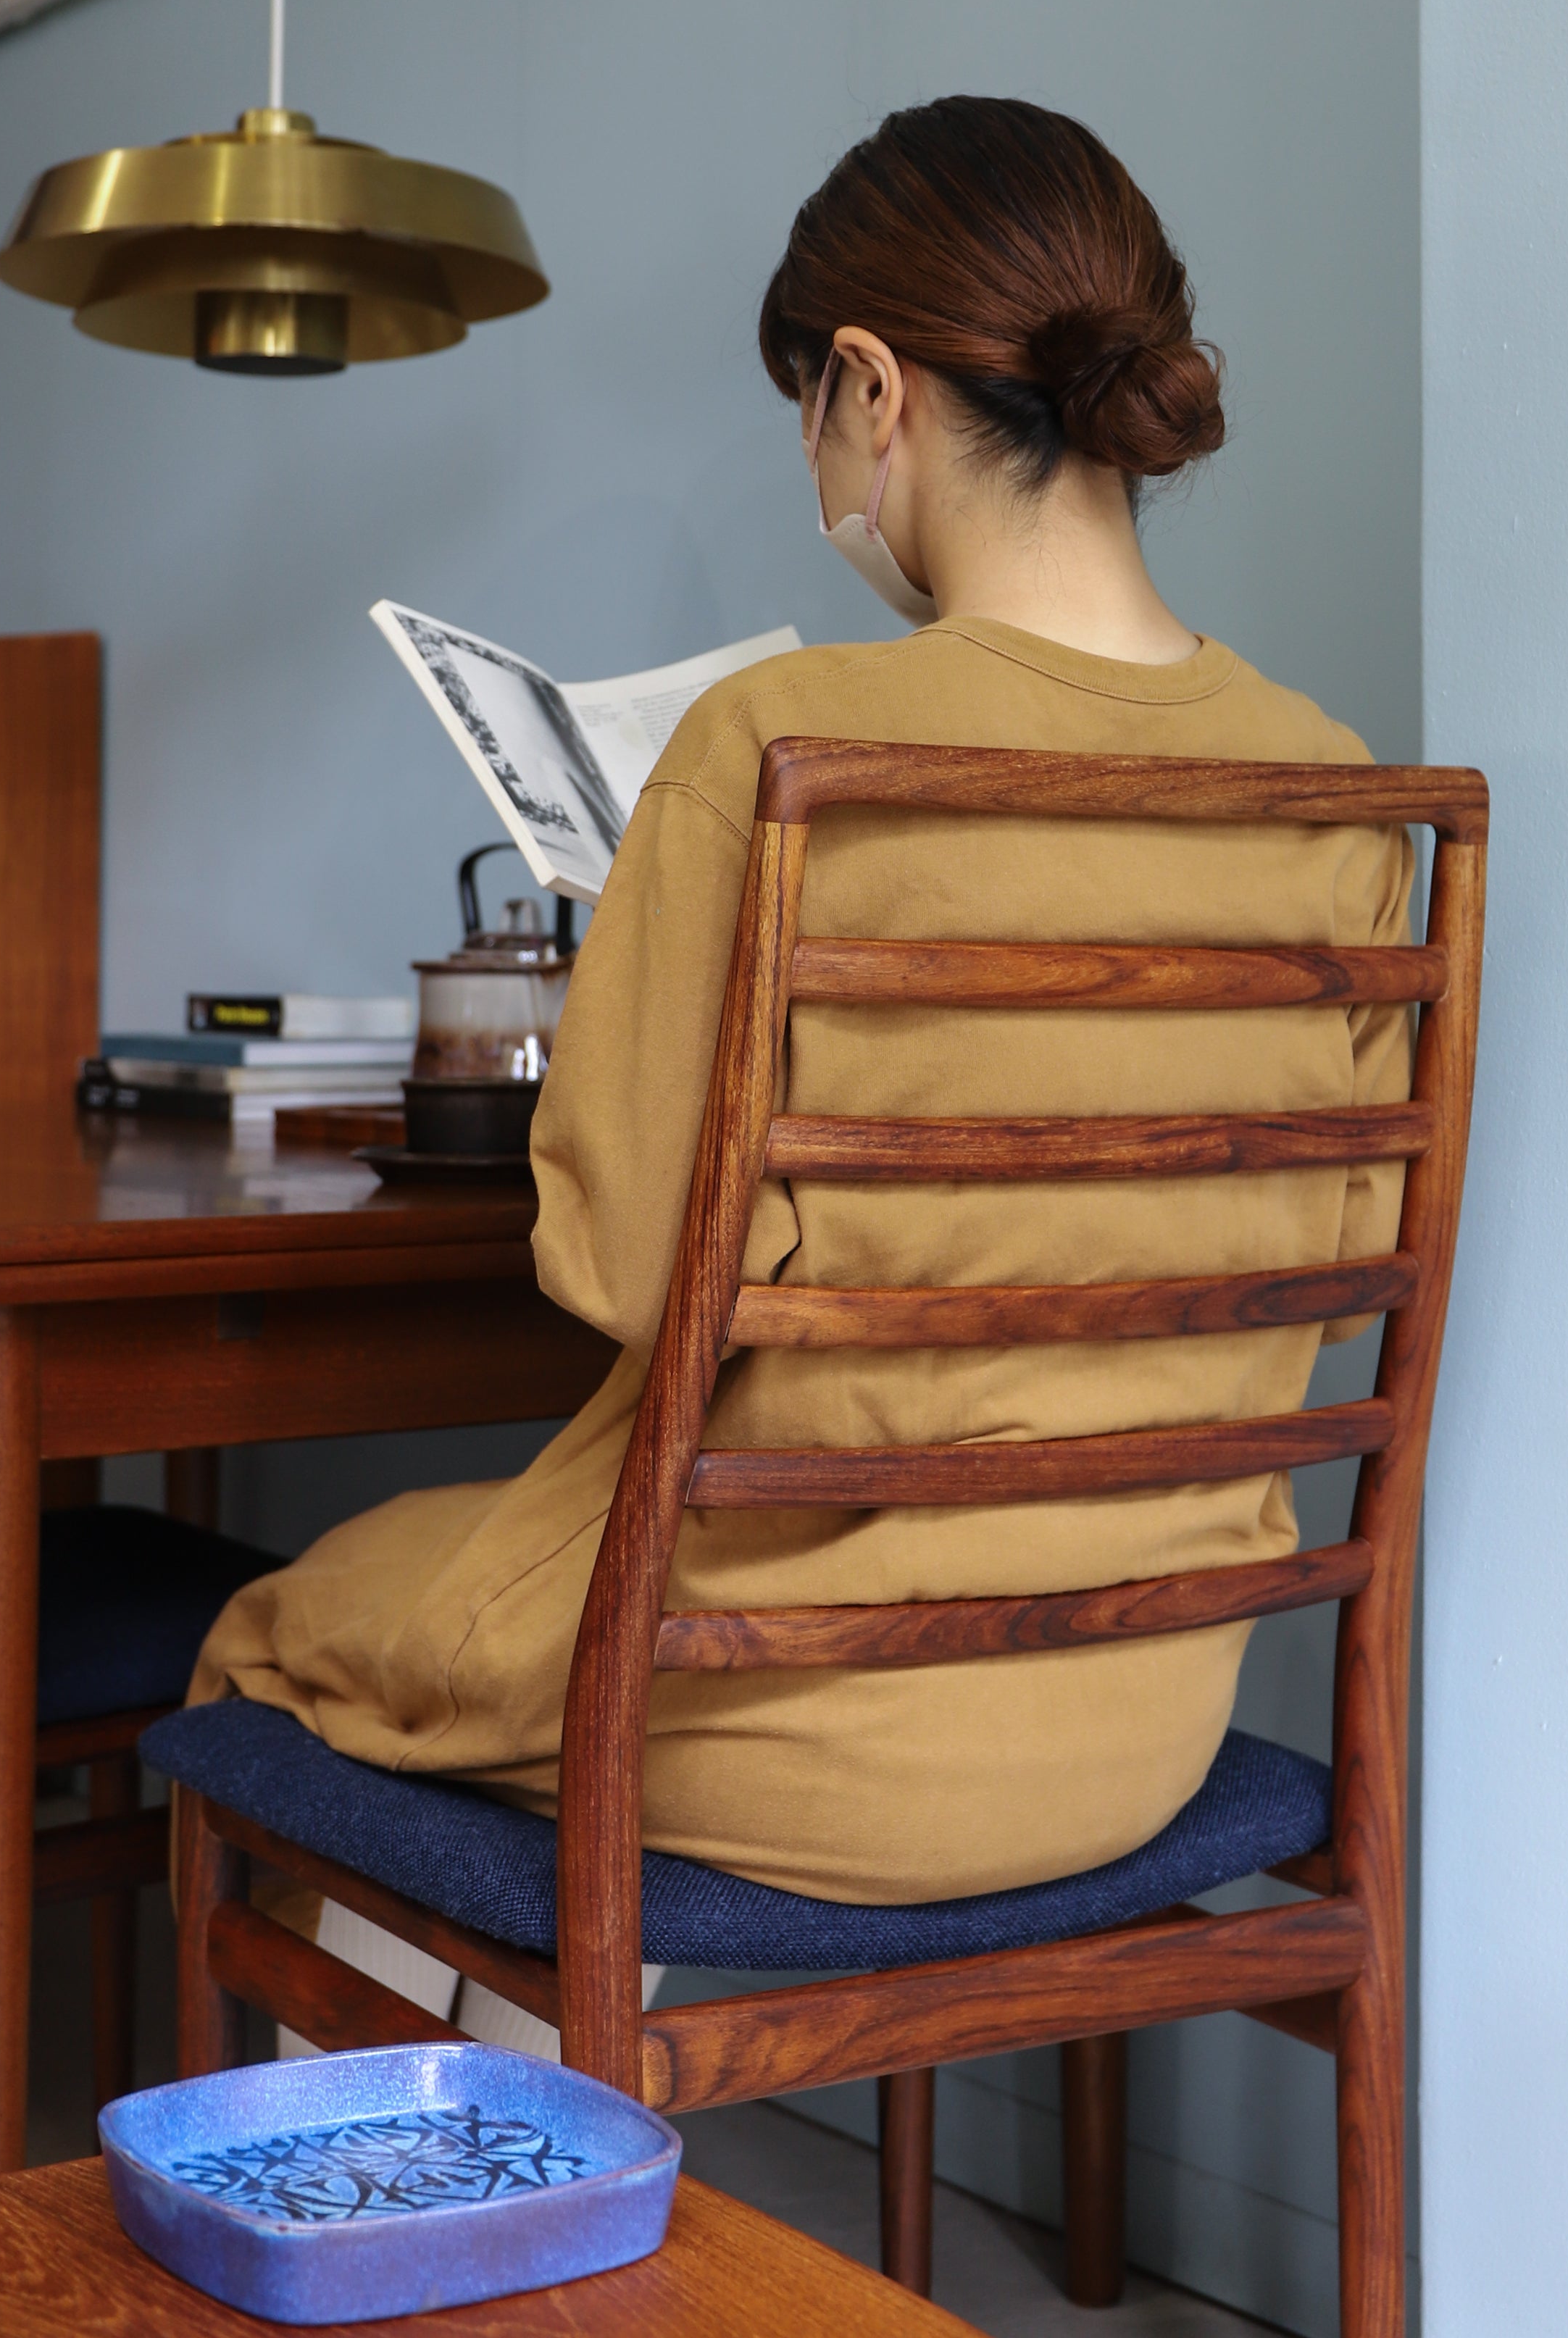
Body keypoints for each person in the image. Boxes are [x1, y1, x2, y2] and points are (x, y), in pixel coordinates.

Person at [191, 98, 1411, 1915]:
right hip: (1147, 1710)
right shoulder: (1332, 792)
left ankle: (442, 2192)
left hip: (793, 1703)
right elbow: (1330, 1267)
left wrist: (648, 947)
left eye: (810, 414)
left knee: (275, 1634)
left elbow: (619, 1269)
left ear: (866, 384)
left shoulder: (779, 755)